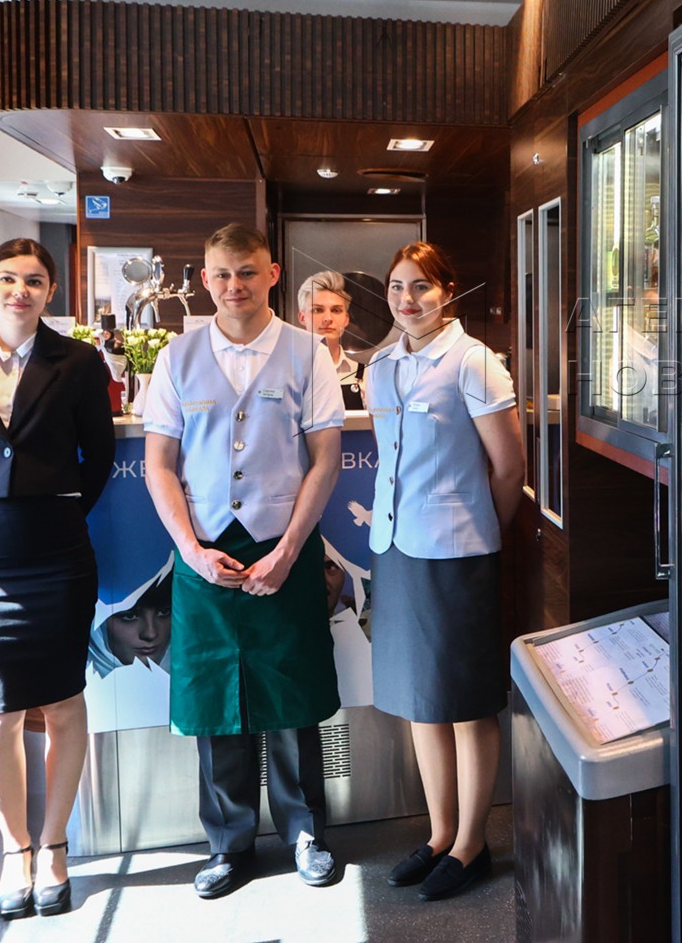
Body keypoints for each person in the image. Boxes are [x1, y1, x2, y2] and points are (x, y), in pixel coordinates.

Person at [142, 224, 345, 898]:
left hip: (282, 542)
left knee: (291, 694)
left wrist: (289, 551)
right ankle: (228, 845)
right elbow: (159, 464)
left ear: (273, 274)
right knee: (215, 702)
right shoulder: (176, 357)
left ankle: (306, 833)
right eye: (223, 274)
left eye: (248, 272)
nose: (236, 286)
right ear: (205, 279)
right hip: (204, 551)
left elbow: (326, 459)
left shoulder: (308, 354)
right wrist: (190, 550)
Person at [0, 238, 114, 919]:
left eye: (34, 281)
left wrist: (58, 509)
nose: (20, 291)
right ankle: (15, 850)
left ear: (50, 291)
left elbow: (98, 455)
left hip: (59, 550)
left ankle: (55, 844)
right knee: (0, 708)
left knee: (64, 701)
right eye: (7, 279)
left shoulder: (80, 361)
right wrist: (0, 503)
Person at [365, 241, 523, 901]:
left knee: (464, 702)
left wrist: (482, 530)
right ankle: (439, 834)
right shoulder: (379, 366)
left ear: (448, 291)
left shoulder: (474, 361)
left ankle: (472, 843)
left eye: (421, 286)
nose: (408, 300)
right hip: (395, 546)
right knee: (421, 702)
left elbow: (509, 468)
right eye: (397, 287)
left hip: (457, 551)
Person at [296, 269, 365, 411]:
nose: (328, 318)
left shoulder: (366, 374)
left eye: (336, 310)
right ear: (302, 317)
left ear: (346, 319)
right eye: (318, 310)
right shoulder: (286, 372)